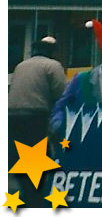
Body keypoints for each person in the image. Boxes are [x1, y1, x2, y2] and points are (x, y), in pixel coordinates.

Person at [9, 36, 66, 207]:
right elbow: (60, 94)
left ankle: (18, 195)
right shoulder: (53, 66)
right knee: (36, 158)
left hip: (11, 115)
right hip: (35, 115)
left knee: (17, 156)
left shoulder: (21, 65)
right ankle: (35, 198)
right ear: (52, 52)